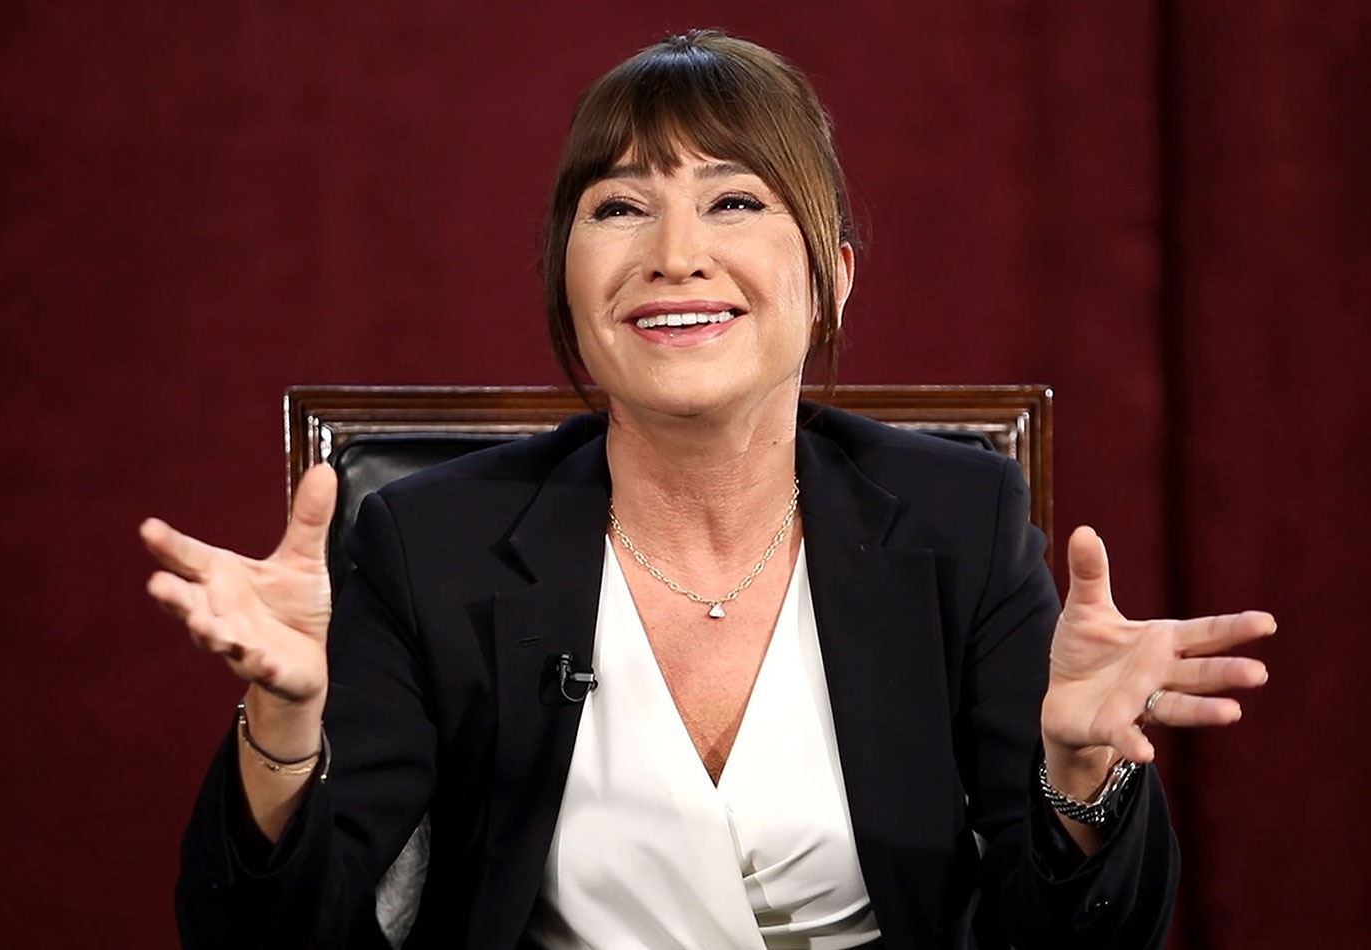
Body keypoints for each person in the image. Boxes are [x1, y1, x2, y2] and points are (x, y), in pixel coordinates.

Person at [140, 30, 1274, 950]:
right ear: (566, 282)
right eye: (619, 206)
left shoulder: (960, 523)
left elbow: (1078, 938)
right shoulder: (427, 543)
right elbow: (261, 938)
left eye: (734, 201)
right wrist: (282, 729)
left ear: (830, 280)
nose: (675, 253)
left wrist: (1078, 779)